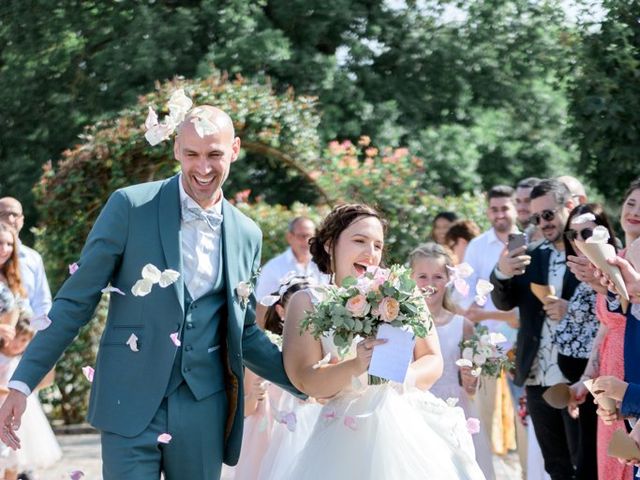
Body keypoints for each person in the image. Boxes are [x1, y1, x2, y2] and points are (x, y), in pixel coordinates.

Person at [0, 104, 301, 480]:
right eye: (191, 154)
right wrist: (22, 384)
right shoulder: (130, 206)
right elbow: (76, 300)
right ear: (176, 148)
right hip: (128, 399)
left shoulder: (247, 234)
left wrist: (305, 380)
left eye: (214, 155)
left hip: (203, 408)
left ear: (235, 149)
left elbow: (244, 332)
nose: (203, 168)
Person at [277, 203, 484, 479]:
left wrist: (402, 376)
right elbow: (304, 378)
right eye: (360, 241)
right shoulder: (307, 302)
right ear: (329, 244)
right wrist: (355, 365)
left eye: (377, 245)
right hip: (342, 435)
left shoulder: (403, 294)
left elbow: (432, 359)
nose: (371, 253)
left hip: (407, 422)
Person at [491, 179, 580, 480]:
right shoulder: (531, 254)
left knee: (582, 461)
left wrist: (573, 309)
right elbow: (503, 301)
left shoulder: (589, 252)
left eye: (549, 215)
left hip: (577, 376)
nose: (542, 223)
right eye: (535, 217)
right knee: (554, 465)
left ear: (569, 206)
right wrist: (503, 269)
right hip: (537, 374)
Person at [409, 242, 495, 479]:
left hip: (454, 410)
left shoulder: (462, 325)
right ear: (411, 278)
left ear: (449, 279)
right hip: (414, 410)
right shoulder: (400, 324)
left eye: (437, 276)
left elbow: (470, 385)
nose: (430, 283)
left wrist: (472, 378)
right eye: (422, 276)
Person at [551, 204, 612, 480]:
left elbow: (607, 325)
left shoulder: (610, 266)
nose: (579, 240)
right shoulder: (575, 266)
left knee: (591, 455)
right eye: (572, 234)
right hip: (579, 373)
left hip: (602, 373)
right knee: (582, 452)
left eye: (586, 232)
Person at [462, 186, 521, 466]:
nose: (500, 214)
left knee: (523, 415)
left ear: (514, 209)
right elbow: (467, 296)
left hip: (522, 340)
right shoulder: (477, 246)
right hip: (486, 341)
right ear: (488, 212)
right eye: (494, 209)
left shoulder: (528, 242)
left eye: (504, 208)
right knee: (482, 412)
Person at [0, 319, 61, 479]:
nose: (18, 344)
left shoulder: (23, 362)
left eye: (24, 340)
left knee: (14, 459)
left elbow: (44, 383)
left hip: (20, 416)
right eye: (16, 337)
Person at [254, 217, 329, 325]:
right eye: (302, 236)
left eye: (311, 236)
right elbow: (261, 309)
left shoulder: (324, 264)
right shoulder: (272, 268)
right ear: (290, 237)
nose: (307, 241)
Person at [0, 198, 51, 319]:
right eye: (4, 214)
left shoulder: (33, 258)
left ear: (22, 220)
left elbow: (42, 303)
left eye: (15, 215)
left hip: (26, 333)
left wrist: (41, 334)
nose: (10, 219)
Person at [514, 177, 542, 242]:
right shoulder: (516, 238)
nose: (521, 207)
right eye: (518, 201)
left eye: (528, 201)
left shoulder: (554, 238)